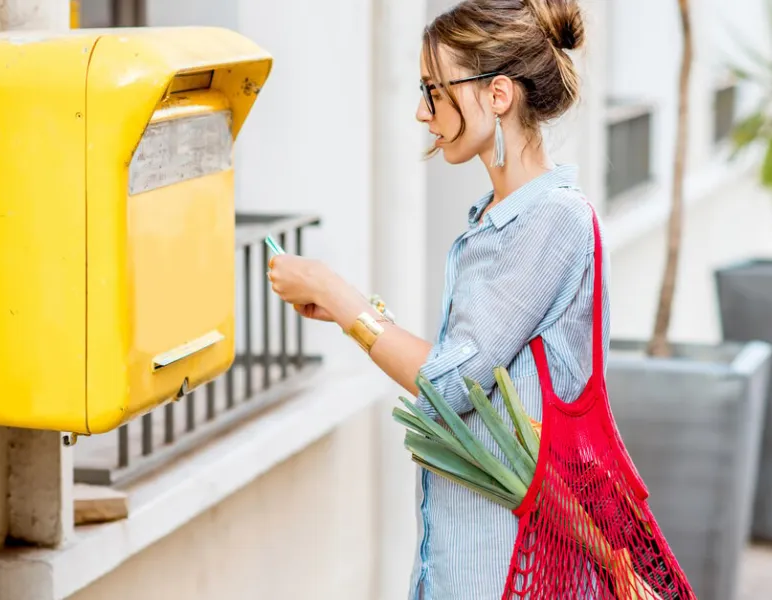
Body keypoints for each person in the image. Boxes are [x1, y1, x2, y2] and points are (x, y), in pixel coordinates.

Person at [266, 1, 636, 598]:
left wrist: (340, 300)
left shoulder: (547, 222)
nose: (422, 111)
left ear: (498, 95)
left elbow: (449, 387)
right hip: (470, 564)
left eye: (436, 92)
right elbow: (470, 369)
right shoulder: (498, 222)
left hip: (512, 574)